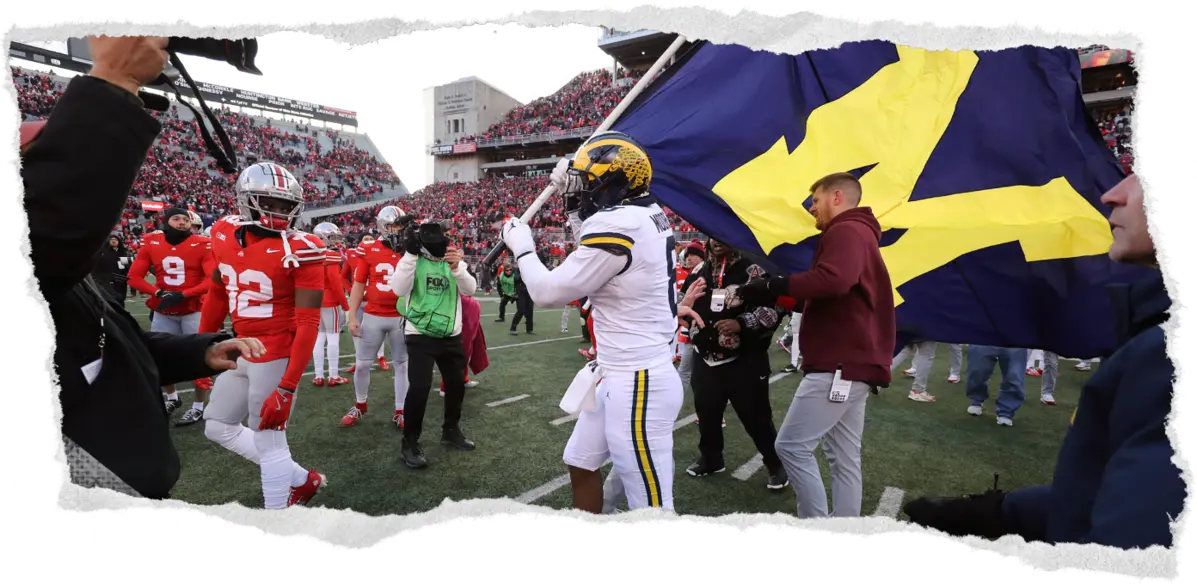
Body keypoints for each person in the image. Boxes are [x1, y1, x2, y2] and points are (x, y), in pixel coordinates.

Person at [23, 35, 260, 499]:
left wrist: (196, 353)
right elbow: (56, 234)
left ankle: (188, 397)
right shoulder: (51, 255)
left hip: (132, 476)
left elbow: (105, 346)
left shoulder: (73, 279)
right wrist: (113, 81)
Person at [903, 174, 1185, 550]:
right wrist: (1008, 514)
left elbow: (1132, 549)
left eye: (1145, 176)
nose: (1111, 194)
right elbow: (1106, 493)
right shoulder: (1154, 327)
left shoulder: (1169, 351)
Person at [502, 131, 684, 512]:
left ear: (612, 183)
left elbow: (548, 291)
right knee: (581, 459)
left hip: (638, 380)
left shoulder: (621, 224)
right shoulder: (642, 213)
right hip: (619, 371)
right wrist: (571, 206)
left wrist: (523, 246)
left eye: (589, 181)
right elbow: (594, 246)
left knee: (652, 506)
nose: (584, 188)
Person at [740, 172, 895, 518]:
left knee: (791, 447)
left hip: (839, 364)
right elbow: (830, 296)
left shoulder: (846, 230)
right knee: (843, 459)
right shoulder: (858, 232)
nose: (812, 207)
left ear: (837, 197)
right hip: (853, 362)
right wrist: (776, 293)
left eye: (816, 199)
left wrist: (769, 286)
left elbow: (834, 281)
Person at [197, 161, 328, 509]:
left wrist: (287, 387)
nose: (280, 213)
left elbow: (308, 323)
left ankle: (278, 523)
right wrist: (199, 346)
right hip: (240, 347)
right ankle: (302, 480)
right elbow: (217, 292)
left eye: (286, 206)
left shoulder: (304, 249)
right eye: (269, 204)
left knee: (270, 442)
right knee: (216, 427)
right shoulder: (223, 231)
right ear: (246, 199)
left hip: (276, 352)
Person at [680, 238, 789, 490]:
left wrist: (742, 323)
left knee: (756, 417)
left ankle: (775, 464)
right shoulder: (699, 270)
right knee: (706, 413)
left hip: (745, 359)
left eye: (722, 235)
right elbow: (683, 303)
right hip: (704, 355)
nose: (716, 241)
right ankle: (711, 458)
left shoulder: (757, 269)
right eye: (712, 235)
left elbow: (778, 307)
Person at [390, 219, 478, 469]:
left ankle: (451, 430)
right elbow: (398, 289)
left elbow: (470, 289)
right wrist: (409, 254)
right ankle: (409, 442)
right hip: (420, 333)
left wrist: (458, 267)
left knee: (456, 385)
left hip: (451, 333)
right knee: (419, 387)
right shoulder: (413, 261)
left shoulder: (453, 260)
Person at [126, 206, 216, 426]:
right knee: (159, 356)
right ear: (166, 222)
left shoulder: (203, 244)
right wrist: (157, 293)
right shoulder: (151, 243)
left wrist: (184, 294)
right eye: (176, 218)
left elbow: (211, 279)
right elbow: (134, 277)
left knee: (199, 358)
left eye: (185, 219)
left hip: (192, 309)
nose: (182, 222)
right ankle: (172, 397)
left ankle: (198, 406)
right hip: (164, 310)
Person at [345, 206, 411, 428]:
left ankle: (401, 410)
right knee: (362, 365)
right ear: (383, 226)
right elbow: (358, 283)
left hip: (401, 316)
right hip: (373, 314)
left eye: (401, 225)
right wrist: (352, 315)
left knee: (402, 366)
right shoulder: (369, 249)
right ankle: (361, 404)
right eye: (393, 225)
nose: (398, 229)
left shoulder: (410, 250)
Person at [311, 222, 350, 388]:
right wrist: (346, 307)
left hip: (313, 300)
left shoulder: (308, 253)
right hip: (329, 300)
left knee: (319, 337)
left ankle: (319, 375)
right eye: (332, 237)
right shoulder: (331, 256)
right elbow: (335, 284)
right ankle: (333, 375)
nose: (335, 241)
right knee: (333, 336)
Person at [964, 345, 1028, 426]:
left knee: (1014, 374)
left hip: (1015, 336)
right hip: (985, 334)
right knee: (977, 370)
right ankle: (976, 398)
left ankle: (1006, 411)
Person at [91, 233, 132, 306]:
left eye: (115, 239)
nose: (113, 241)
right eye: (111, 239)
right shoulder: (103, 253)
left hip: (120, 282)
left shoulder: (122, 253)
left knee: (120, 299)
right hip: (106, 281)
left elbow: (126, 269)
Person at [509, 265, 535, 335]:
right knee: (521, 310)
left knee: (530, 310)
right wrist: (523, 274)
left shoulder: (531, 271)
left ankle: (529, 329)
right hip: (520, 292)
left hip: (529, 291)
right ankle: (513, 328)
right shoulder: (517, 270)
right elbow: (515, 279)